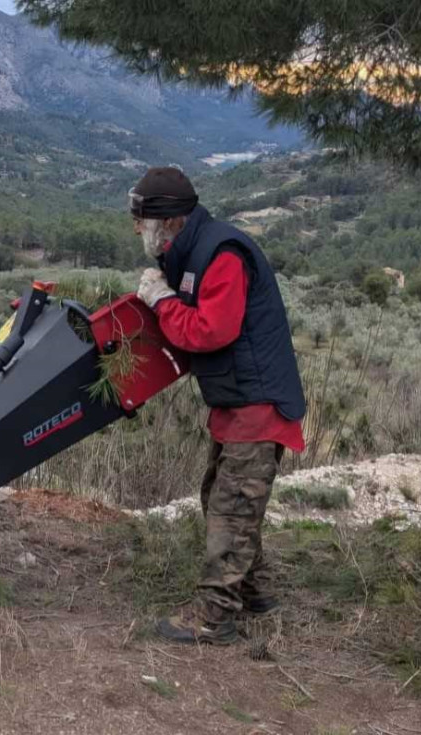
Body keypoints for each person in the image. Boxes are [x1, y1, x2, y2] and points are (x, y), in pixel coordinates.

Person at [131, 166, 306, 645]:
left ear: (169, 221)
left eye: (141, 218)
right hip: (237, 400)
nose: (136, 228)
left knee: (232, 509)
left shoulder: (222, 253)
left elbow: (212, 330)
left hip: (259, 402)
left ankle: (214, 616)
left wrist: (163, 301)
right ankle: (258, 590)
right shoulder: (190, 252)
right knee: (221, 498)